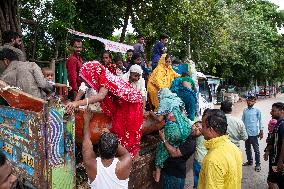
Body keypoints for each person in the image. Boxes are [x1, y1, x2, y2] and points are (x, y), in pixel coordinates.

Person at [66, 61, 143, 157]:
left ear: (93, 73)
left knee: (125, 130)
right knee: (120, 127)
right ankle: (126, 155)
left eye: (88, 77)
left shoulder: (105, 78)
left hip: (131, 104)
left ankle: (127, 156)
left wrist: (77, 103)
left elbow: (101, 96)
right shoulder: (104, 75)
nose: (87, 81)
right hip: (125, 102)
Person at [82, 109, 131, 189]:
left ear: (98, 150)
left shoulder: (91, 163)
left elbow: (86, 142)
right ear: (116, 151)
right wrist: (110, 135)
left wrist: (86, 120)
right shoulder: (126, 162)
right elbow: (125, 153)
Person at [151, 89, 191, 183]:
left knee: (161, 148)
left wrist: (151, 113)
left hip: (174, 130)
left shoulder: (165, 101)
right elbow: (183, 115)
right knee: (173, 145)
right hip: (185, 129)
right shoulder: (177, 99)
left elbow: (159, 119)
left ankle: (157, 175)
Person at [198, 109, 242, 189]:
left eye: (203, 126)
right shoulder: (234, 148)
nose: (201, 129)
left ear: (210, 130)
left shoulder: (212, 160)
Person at [157, 120, 198, 189]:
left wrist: (163, 139)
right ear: (192, 124)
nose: (196, 129)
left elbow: (174, 153)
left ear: (200, 134)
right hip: (170, 171)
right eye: (196, 126)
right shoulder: (184, 133)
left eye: (199, 130)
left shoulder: (191, 143)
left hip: (174, 174)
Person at [264, 102, 284, 189]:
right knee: (278, 180)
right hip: (275, 158)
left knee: (271, 181)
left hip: (278, 160)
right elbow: (274, 140)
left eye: (273, 111)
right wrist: (268, 150)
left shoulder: (282, 124)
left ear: (281, 111)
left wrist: (280, 161)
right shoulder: (278, 123)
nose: (271, 113)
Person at [242, 95, 263, 172]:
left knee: (256, 150)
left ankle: (258, 164)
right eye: (248, 100)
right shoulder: (245, 110)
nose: (249, 102)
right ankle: (249, 161)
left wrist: (261, 131)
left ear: (254, 102)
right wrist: (242, 131)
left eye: (251, 101)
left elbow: (260, 121)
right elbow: (242, 121)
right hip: (246, 133)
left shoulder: (257, 110)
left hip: (254, 133)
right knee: (247, 149)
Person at [192, 121, 207, 189]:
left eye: (197, 126)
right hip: (200, 160)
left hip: (201, 160)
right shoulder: (208, 133)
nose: (196, 128)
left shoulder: (201, 133)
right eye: (195, 126)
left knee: (199, 178)